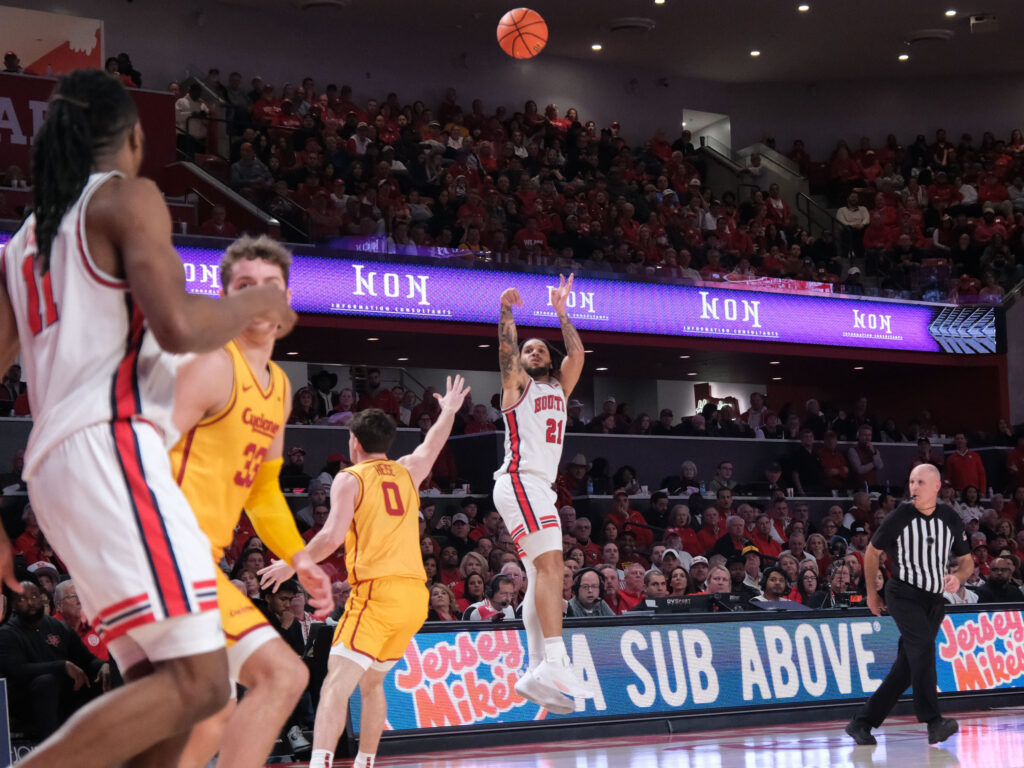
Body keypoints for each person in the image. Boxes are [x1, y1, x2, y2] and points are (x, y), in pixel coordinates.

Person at [0, 69, 294, 768]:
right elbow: (182, 321)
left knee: (163, 696)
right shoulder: (128, 197)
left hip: (55, 468)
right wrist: (253, 306)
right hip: (112, 445)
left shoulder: (23, 244)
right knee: (200, 683)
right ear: (134, 137)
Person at [168, 235, 334, 767]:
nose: (260, 298)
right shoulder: (212, 365)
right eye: (245, 287)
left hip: (199, 562)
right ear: (226, 298)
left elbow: (262, 492)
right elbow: (138, 453)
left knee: (266, 686)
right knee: (241, 692)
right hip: (162, 549)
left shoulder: (280, 385)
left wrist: (300, 558)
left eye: (271, 288)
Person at [261, 377, 470, 768]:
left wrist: (290, 561)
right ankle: (366, 762)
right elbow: (433, 443)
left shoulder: (350, 477)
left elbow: (330, 537)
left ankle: (321, 763)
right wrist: (450, 411)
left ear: (354, 443)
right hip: (413, 597)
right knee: (372, 683)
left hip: (377, 592)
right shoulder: (408, 470)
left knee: (335, 684)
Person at [492, 275, 589, 714]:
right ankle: (554, 659)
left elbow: (578, 354)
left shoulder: (559, 390)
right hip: (519, 479)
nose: (533, 353)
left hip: (540, 489)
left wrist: (561, 312)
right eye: (528, 349)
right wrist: (507, 313)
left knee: (541, 575)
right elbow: (506, 353)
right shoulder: (517, 388)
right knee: (553, 567)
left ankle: (535, 671)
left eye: (540, 349)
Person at [846, 464, 972, 747]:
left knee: (906, 668)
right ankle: (933, 721)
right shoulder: (900, 516)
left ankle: (862, 722)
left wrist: (959, 577)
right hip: (903, 594)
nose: (914, 487)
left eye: (921, 482)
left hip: (934, 599)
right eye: (912, 481)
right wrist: (871, 594)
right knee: (924, 646)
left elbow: (966, 561)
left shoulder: (950, 518)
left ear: (937, 486)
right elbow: (872, 552)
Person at [0, 581, 111, 739]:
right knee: (47, 681)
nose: (30, 602)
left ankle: (106, 738)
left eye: (34, 596)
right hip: (25, 702)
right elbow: (17, 670)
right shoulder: (7, 633)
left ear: (43, 599)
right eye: (22, 599)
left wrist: (104, 667)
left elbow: (88, 660)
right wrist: (61, 666)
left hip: (65, 695)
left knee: (103, 677)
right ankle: (50, 743)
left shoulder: (60, 627)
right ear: (13, 604)